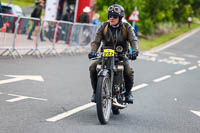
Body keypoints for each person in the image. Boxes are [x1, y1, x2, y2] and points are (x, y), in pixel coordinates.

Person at [88, 4, 139, 103]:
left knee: (128, 71)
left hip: (121, 56)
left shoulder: (126, 27)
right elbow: (96, 41)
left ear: (120, 17)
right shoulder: (104, 26)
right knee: (92, 68)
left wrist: (135, 51)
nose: (111, 18)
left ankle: (128, 92)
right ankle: (95, 92)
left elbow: (133, 40)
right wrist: (93, 51)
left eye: (114, 16)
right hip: (105, 55)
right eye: (110, 15)